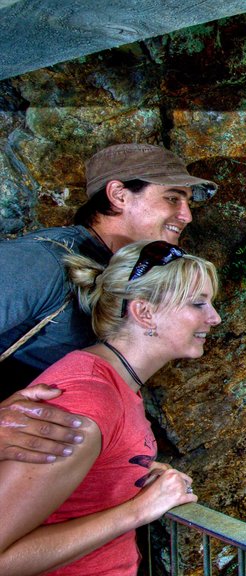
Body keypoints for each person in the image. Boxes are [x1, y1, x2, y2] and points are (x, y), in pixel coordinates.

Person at [0, 239, 221, 575]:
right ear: (144, 312)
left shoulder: (113, 386)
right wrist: (138, 510)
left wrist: (128, 473)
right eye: (197, 304)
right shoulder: (89, 400)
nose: (215, 318)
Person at [0, 143, 216, 464]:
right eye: (172, 198)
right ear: (118, 195)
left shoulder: (125, 275)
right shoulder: (40, 262)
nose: (186, 215)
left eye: (187, 202)